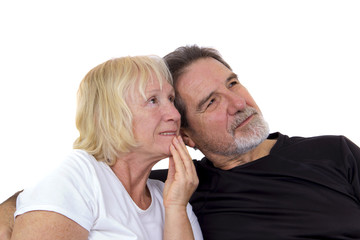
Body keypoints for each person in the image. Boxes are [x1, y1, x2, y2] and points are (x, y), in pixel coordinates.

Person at [1, 45, 360, 239]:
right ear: (185, 137)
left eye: (233, 84)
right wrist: (9, 211)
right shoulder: (186, 187)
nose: (238, 103)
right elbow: (57, 192)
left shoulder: (333, 152)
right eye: (211, 102)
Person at [4, 55, 203, 240]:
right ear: (112, 117)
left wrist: (176, 207)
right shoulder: (79, 177)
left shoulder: (171, 196)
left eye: (170, 99)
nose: (175, 115)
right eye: (153, 101)